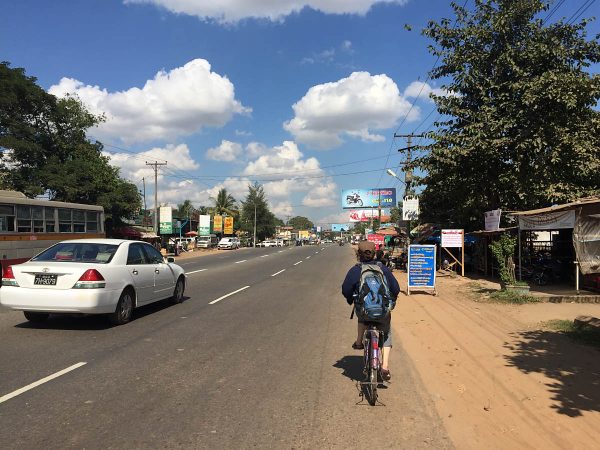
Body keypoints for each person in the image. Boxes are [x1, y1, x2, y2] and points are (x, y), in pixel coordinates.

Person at [341, 240, 400, 380]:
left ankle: (359, 342)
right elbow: (396, 288)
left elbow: (346, 289)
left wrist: (351, 300)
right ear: (374, 253)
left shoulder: (356, 270)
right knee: (386, 332)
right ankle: (385, 367)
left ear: (358, 254)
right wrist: (391, 300)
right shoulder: (383, 269)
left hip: (364, 311)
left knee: (361, 316)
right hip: (382, 311)